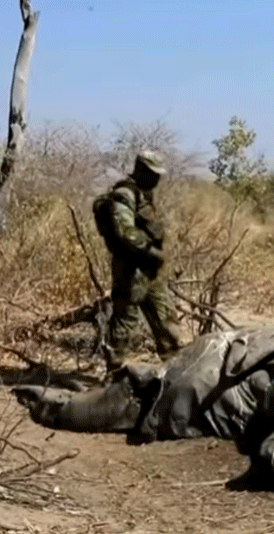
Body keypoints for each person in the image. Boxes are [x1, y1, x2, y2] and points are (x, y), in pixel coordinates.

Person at [95, 150, 182, 372]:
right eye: (153, 173)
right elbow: (125, 231)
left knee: (165, 317)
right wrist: (152, 252)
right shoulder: (124, 194)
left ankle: (174, 369)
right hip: (130, 269)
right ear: (140, 169)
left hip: (148, 270)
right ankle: (114, 372)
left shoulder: (144, 193)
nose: (157, 179)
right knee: (125, 320)